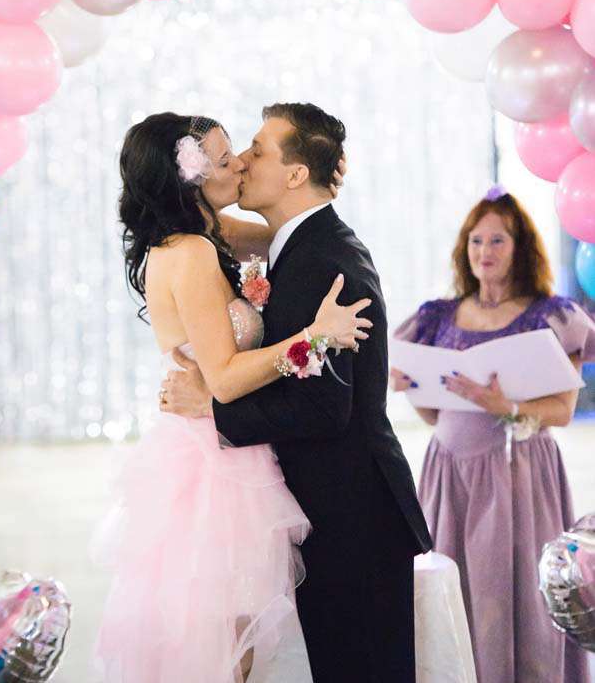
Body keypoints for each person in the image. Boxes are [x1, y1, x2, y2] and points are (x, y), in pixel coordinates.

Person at [91, 111, 371, 683]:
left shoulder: (213, 233)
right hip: (214, 469)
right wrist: (314, 338)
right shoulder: (191, 253)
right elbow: (222, 379)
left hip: (226, 443)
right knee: (225, 647)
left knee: (234, 641)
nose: (241, 163)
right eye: (224, 161)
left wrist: (318, 179)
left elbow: (290, 234)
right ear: (190, 181)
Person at [161, 102, 432, 683]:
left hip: (353, 517)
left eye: (258, 150)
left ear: (295, 175)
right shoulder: (297, 246)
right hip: (336, 513)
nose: (243, 160)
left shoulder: (323, 260)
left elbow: (325, 407)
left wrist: (213, 410)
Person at [391, 186, 595, 683]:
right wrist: (410, 385)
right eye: (476, 240)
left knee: (517, 598)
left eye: (498, 240)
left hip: (518, 474)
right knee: (454, 593)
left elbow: (563, 410)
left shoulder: (551, 316)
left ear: (520, 247)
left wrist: (506, 407)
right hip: (449, 472)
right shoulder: (437, 316)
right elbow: (434, 415)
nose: (485, 251)